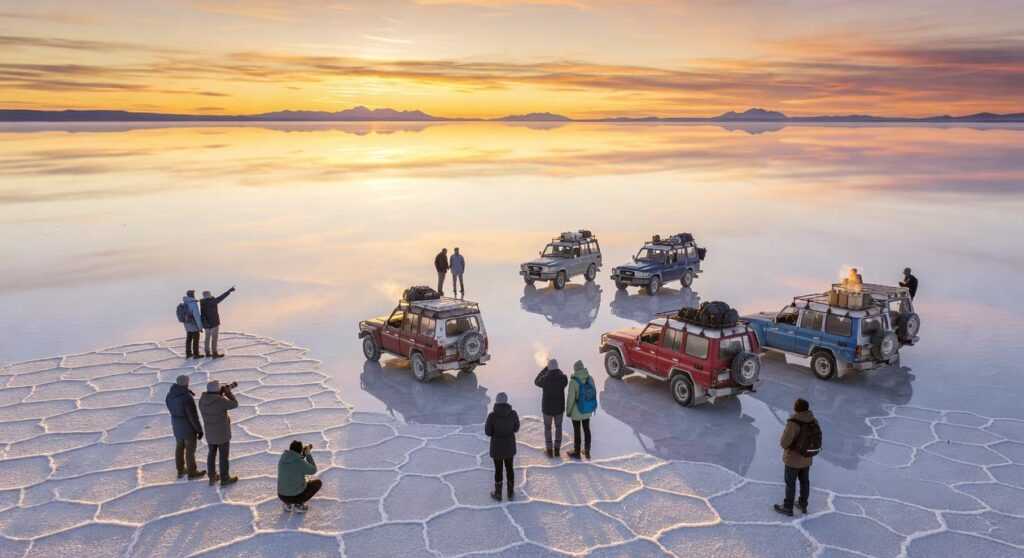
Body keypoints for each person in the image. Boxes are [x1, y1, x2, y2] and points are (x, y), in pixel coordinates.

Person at [774, 398, 821, 516]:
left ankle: (788, 507)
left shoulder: (794, 423)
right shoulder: (813, 420)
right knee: (805, 482)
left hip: (793, 460)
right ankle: (803, 504)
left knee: (790, 483)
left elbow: (784, 443)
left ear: (796, 408)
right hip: (807, 458)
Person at [199, 380, 239, 486]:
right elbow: (234, 404)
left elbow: (213, 402)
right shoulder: (220, 401)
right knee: (223, 457)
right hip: (222, 433)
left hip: (210, 432)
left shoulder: (202, 400)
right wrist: (228, 393)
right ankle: (224, 478)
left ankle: (212, 477)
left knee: (211, 454)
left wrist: (220, 394)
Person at [165, 375, 206, 480]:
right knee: (190, 450)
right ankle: (192, 472)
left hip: (176, 425)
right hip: (187, 427)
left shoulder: (169, 395)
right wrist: (199, 430)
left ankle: (180, 469)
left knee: (179, 447)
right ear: (186, 383)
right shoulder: (187, 397)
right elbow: (192, 416)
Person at [485, 392, 519, 501]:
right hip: (509, 447)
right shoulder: (513, 414)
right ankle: (510, 493)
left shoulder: (492, 416)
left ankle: (498, 493)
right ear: (506, 401)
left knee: (498, 470)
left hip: (497, 448)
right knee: (509, 468)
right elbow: (516, 428)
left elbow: (488, 432)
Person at [534, 358, 567, 458]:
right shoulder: (563, 378)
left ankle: (549, 450)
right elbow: (563, 376)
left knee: (547, 428)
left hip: (547, 409)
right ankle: (557, 450)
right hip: (559, 409)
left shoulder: (545, 379)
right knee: (558, 427)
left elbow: (536, 381)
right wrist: (558, 370)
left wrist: (545, 370)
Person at [278, 440, 322, 513]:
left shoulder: (283, 459)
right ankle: (299, 505)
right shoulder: (300, 462)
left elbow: (295, 460)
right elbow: (313, 470)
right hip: (296, 496)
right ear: (300, 450)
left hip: (282, 496)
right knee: (318, 483)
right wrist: (308, 454)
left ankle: (287, 505)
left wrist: (302, 454)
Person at [565, 360, 596, 460]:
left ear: (575, 369)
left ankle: (577, 452)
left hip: (576, 412)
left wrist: (568, 411)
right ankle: (587, 450)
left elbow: (570, 399)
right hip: (587, 409)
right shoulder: (590, 378)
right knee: (587, 429)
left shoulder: (573, 381)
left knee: (577, 431)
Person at [200, 286, 236, 358]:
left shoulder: (202, 302)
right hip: (214, 323)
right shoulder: (212, 301)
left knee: (207, 338)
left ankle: (207, 352)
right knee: (214, 338)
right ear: (209, 295)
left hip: (206, 324)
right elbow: (221, 297)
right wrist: (229, 291)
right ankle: (214, 353)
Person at [181, 290, 204, 359]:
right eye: (193, 293)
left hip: (187, 324)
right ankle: (196, 354)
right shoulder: (193, 304)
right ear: (192, 295)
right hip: (193, 325)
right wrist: (200, 327)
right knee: (196, 339)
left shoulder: (185, 302)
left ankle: (188, 353)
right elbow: (196, 316)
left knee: (189, 339)